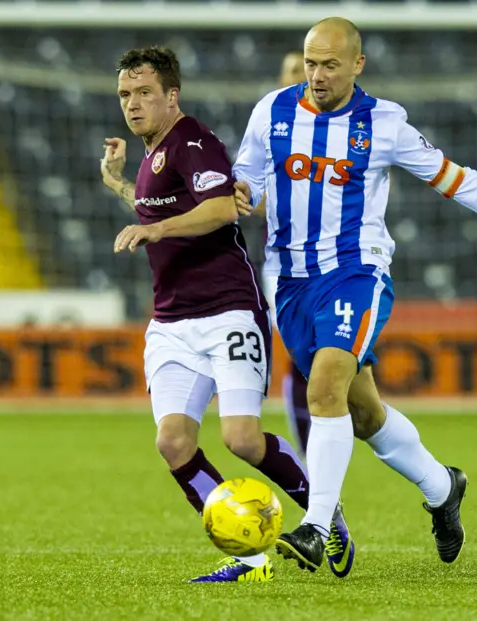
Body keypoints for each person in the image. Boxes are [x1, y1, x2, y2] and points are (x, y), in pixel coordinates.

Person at [233, 18, 477, 573]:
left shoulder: (384, 124)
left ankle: (315, 526)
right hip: (289, 282)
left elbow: (458, 179)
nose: (317, 75)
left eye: (330, 64)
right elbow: (247, 181)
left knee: (326, 388)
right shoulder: (271, 111)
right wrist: (224, 196)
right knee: (362, 413)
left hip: (357, 273)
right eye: (311, 63)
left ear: (358, 64)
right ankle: (442, 487)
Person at [99, 46, 349, 583]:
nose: (133, 104)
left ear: (172, 95)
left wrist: (155, 230)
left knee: (242, 440)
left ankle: (324, 514)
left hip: (228, 312)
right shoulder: (151, 155)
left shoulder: (194, 141)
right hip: (171, 323)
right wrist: (118, 183)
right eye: (125, 95)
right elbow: (158, 211)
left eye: (145, 93)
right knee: (172, 442)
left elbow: (218, 209)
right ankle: (250, 556)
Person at [256, 50, 312, 456]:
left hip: (340, 262)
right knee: (299, 348)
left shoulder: (347, 127)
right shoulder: (266, 130)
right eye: (292, 71)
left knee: (334, 360)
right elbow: (241, 194)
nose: (301, 77)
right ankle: (310, 452)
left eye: (305, 69)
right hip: (283, 262)